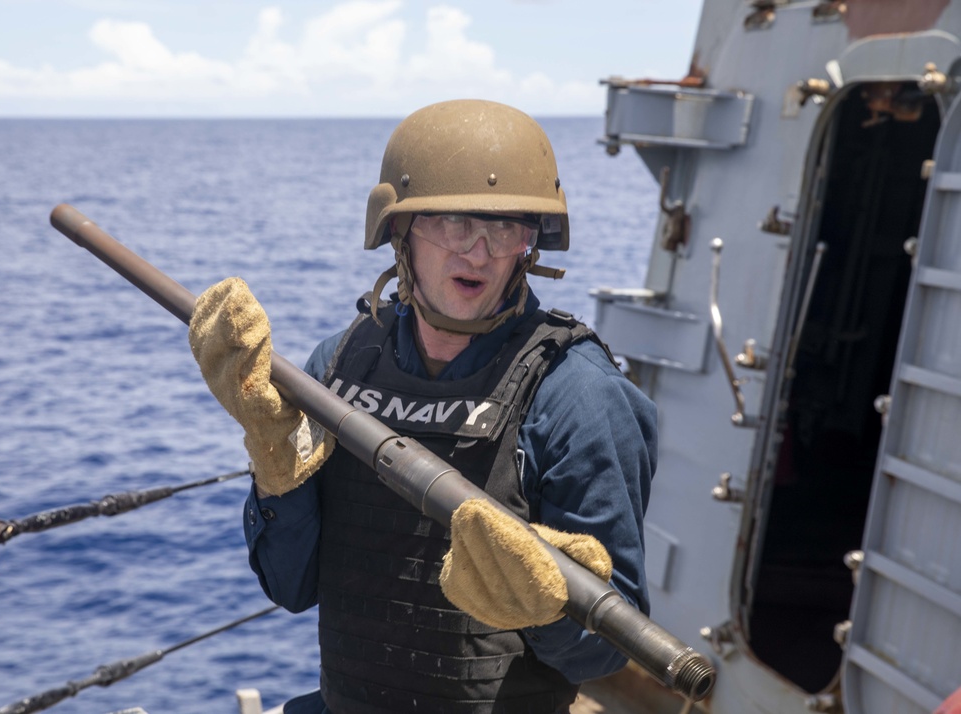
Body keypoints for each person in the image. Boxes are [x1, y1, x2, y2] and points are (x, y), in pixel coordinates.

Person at [188, 99, 657, 714]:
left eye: (507, 229)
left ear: (531, 247)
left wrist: (545, 604)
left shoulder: (579, 395)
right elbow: (291, 586)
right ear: (400, 231)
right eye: (454, 224)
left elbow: (604, 654)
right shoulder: (340, 363)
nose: (479, 253)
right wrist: (279, 471)